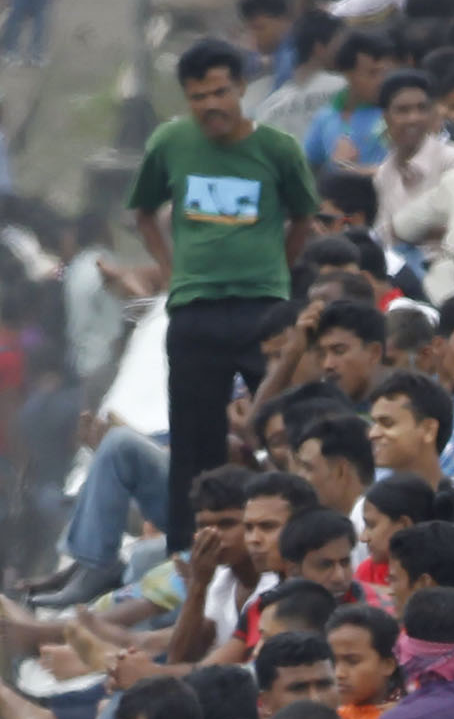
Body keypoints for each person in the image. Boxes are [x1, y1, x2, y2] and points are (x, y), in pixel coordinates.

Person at [125, 40, 318, 555]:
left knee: (282, 425)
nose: (210, 105)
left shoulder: (278, 149)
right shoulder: (170, 143)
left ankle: (300, 531)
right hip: (195, 309)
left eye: (219, 92)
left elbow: (304, 217)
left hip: (262, 309)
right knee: (193, 436)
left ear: (240, 89)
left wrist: (278, 268)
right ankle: (189, 549)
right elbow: (143, 212)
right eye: (197, 96)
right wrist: (170, 271)